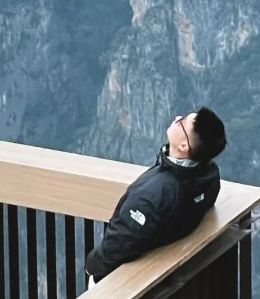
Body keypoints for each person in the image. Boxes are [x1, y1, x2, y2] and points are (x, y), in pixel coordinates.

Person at [85, 108, 226, 283]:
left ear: (184, 146)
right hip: (160, 272)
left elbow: (119, 244)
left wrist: (92, 266)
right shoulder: (208, 175)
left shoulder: (153, 195)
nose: (177, 117)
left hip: (123, 283)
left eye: (182, 122)